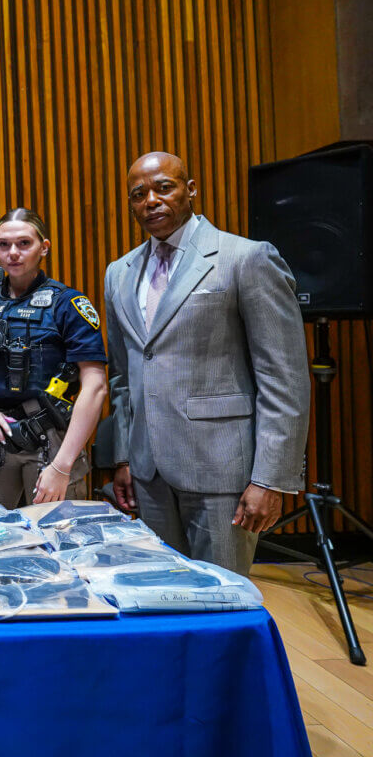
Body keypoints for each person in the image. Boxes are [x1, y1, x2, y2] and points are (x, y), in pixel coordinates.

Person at [105, 152, 310, 575]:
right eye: (139, 194)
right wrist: (124, 457)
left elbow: (283, 378)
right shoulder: (118, 273)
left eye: (164, 188)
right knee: (162, 596)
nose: (151, 201)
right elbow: (123, 376)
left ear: (191, 189)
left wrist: (270, 479)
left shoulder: (246, 258)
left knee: (223, 600)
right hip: (148, 473)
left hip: (222, 471)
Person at [0, 208, 108, 508]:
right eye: (4, 244)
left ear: (44, 247)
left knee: (55, 534)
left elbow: (96, 386)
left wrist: (62, 466)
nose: (13, 252)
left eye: (24, 243)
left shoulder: (67, 304)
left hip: (50, 441)